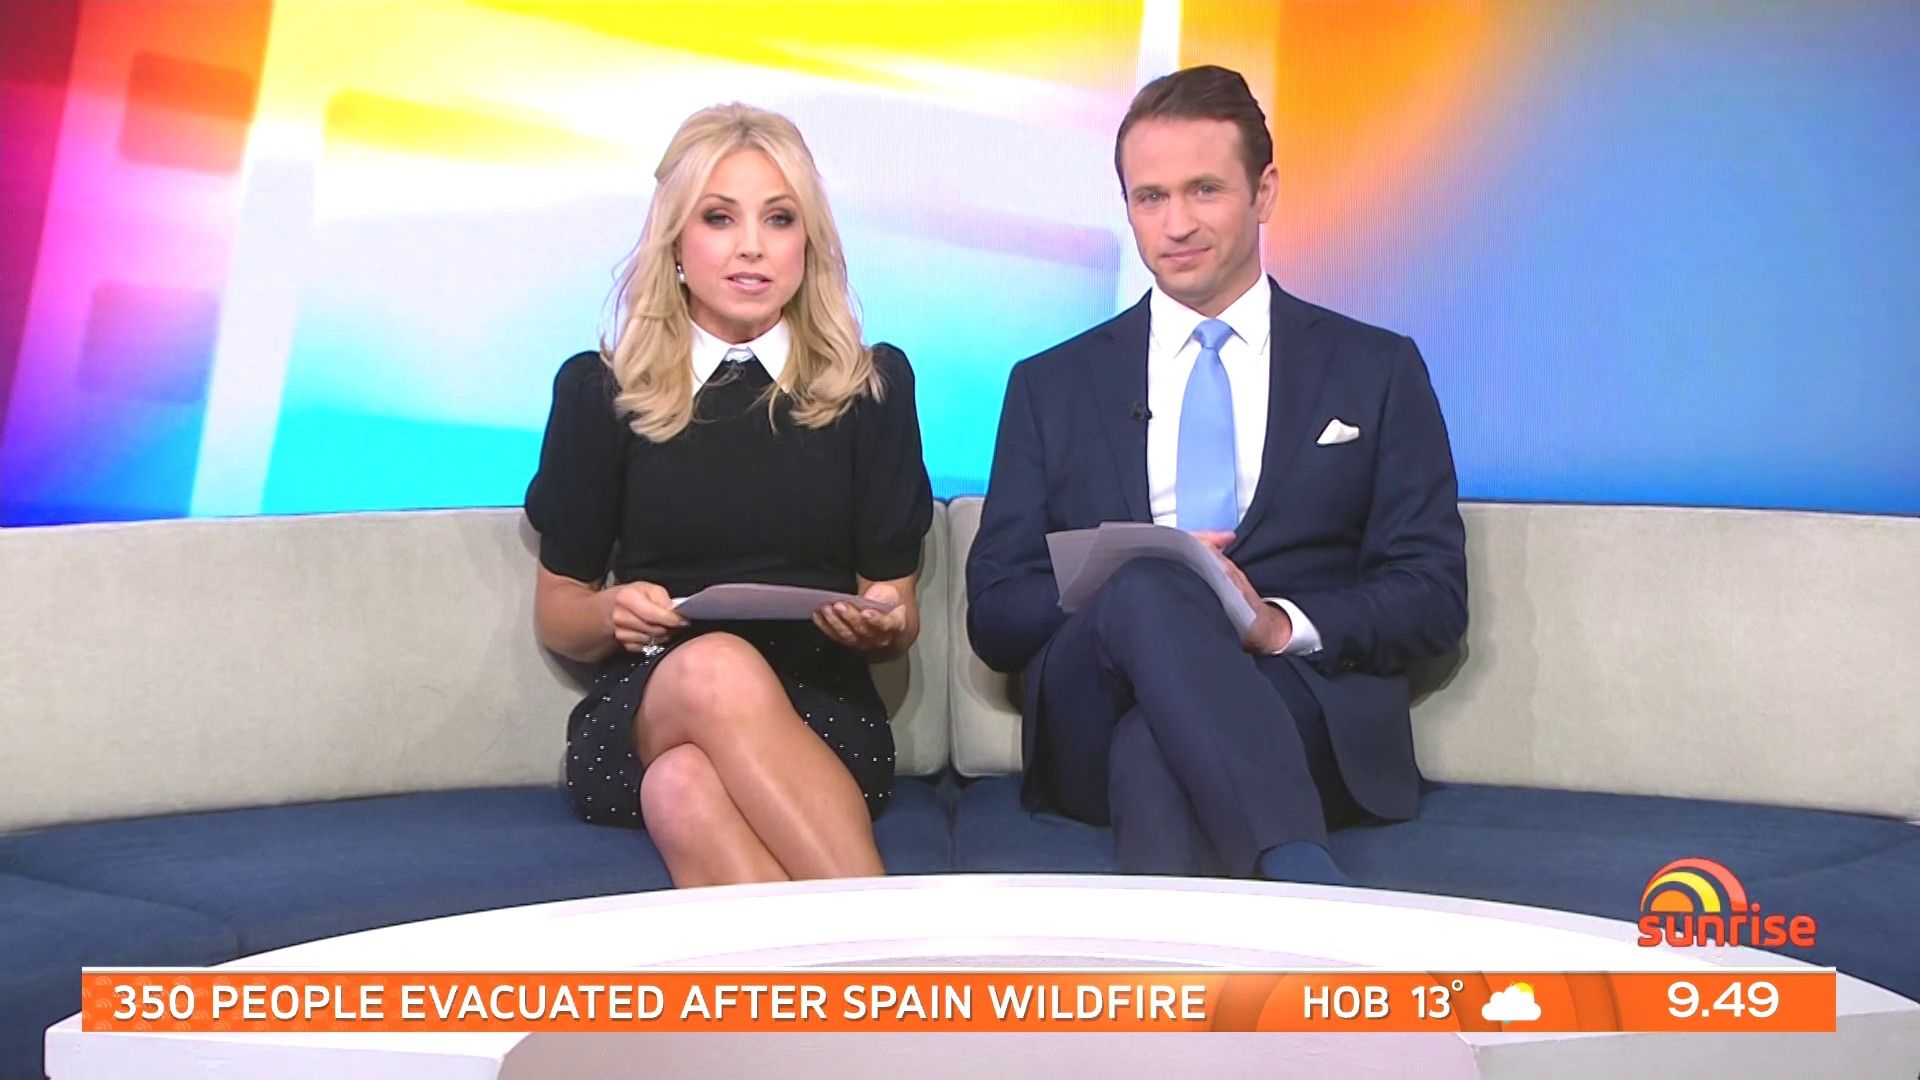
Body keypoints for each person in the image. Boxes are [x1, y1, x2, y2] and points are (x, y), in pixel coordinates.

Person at [965, 66, 1467, 884]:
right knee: (1150, 580)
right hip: (1096, 697)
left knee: (1154, 749)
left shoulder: (1376, 370)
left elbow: (1433, 594)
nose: (1177, 224)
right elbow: (995, 612)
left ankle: (1216, 945)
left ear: (1264, 192)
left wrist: (1276, 625)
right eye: (1150, 198)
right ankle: (1306, 880)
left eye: (1205, 190)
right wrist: (1125, 578)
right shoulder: (1050, 385)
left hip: (1297, 700)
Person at [524, 104, 933, 887]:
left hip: (818, 709)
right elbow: (559, 611)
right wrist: (612, 614)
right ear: (676, 241)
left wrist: (880, 622)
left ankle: (841, 966)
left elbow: (898, 610)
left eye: (779, 219)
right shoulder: (601, 392)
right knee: (715, 668)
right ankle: (901, 944)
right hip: (653, 699)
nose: (752, 246)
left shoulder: (870, 389)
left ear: (808, 242)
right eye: (719, 218)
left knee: (682, 789)